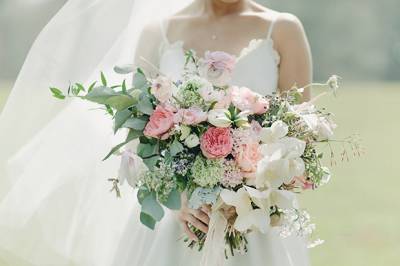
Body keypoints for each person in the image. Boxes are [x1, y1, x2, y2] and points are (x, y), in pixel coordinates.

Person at [0, 0, 312, 265]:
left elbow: (301, 136)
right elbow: (139, 137)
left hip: (255, 221)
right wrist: (179, 199)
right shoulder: (158, 33)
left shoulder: (283, 30)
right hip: (176, 219)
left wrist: (247, 198)